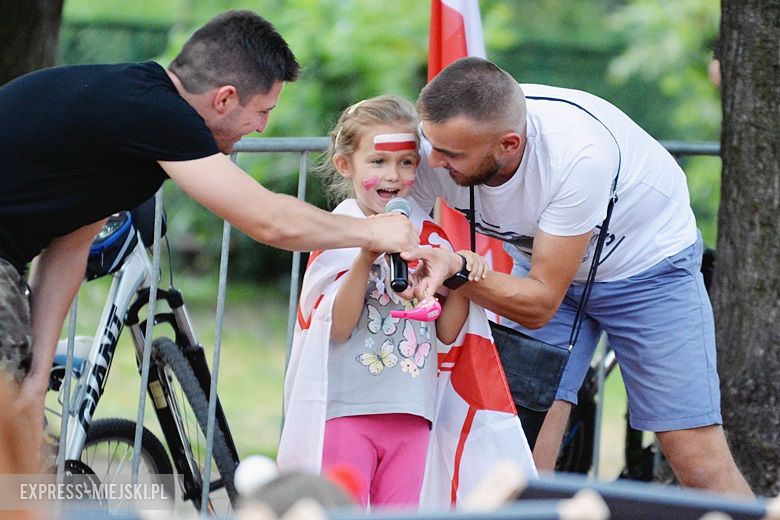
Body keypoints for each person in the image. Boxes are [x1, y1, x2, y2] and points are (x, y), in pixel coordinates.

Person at [0, 10, 419, 468]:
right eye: (263, 111)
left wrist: (38, 373)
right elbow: (269, 220)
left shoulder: (126, 115)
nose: (261, 127)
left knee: (18, 451)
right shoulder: (158, 114)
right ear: (225, 99)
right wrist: (369, 230)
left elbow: (71, 244)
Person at [403, 56, 753, 497]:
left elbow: (539, 304)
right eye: (431, 143)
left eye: (451, 154)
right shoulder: (434, 144)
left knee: (697, 460)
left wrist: (453, 269)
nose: (432, 161)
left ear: (509, 145)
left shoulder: (576, 155)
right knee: (519, 452)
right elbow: (393, 229)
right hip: (541, 265)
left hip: (648, 271)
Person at [277, 95, 535, 509]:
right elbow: (336, 327)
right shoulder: (337, 234)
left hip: (414, 414)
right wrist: (366, 250)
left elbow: (447, 334)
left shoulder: (431, 237)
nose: (392, 176)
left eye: (406, 163)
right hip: (348, 412)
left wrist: (462, 273)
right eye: (377, 162)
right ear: (346, 165)